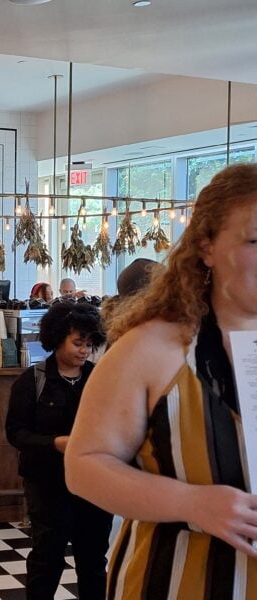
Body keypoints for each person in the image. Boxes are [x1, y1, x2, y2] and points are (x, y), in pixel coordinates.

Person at [65, 163, 257, 598]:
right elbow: (85, 465)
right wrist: (192, 503)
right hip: (175, 580)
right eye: (254, 241)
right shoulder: (153, 349)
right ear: (206, 246)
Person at [5, 302, 111, 600]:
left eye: (89, 344)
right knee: (47, 558)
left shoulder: (100, 379)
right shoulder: (32, 381)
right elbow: (16, 433)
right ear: (57, 338)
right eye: (77, 343)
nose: (84, 351)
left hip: (94, 484)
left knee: (93, 560)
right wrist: (56, 443)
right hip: (47, 484)